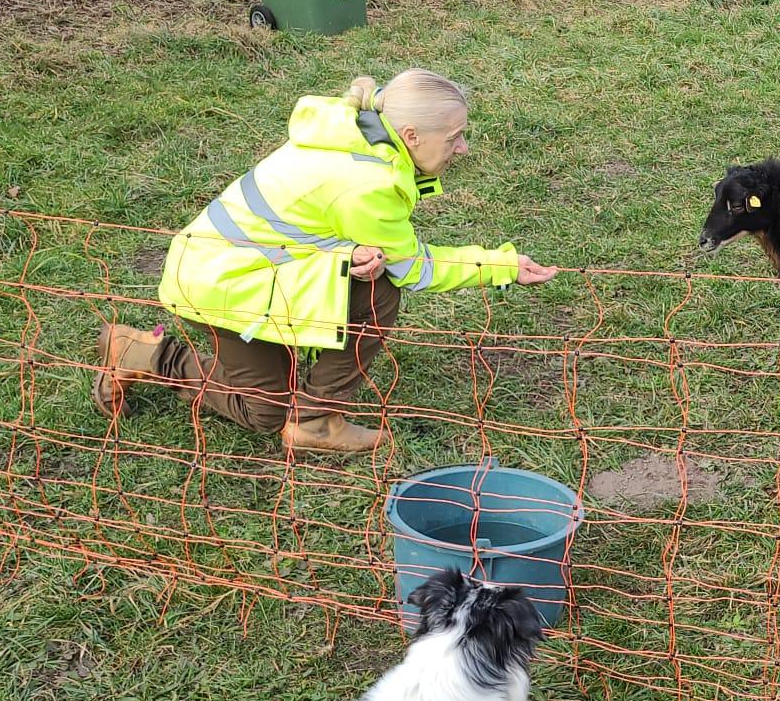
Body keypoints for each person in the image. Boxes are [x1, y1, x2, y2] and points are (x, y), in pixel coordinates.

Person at [90, 70, 558, 454]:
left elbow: (302, 228)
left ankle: (311, 406)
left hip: (244, 270)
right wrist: (504, 266)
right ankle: (150, 356)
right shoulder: (367, 184)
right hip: (217, 286)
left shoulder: (355, 135)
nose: (463, 148)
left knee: (369, 277)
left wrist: (344, 254)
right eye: (454, 137)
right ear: (411, 135)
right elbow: (416, 269)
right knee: (268, 411)